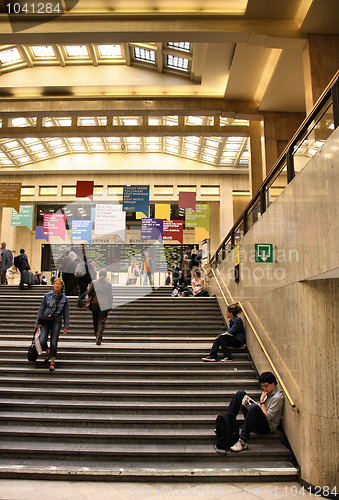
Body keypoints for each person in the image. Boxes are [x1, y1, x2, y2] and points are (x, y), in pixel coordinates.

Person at [220, 371, 284, 453]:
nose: (264, 389)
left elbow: (267, 418)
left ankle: (243, 441)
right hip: (257, 420)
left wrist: (262, 402)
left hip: (266, 427)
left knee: (254, 407)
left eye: (266, 386)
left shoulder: (277, 398)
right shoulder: (267, 392)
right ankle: (226, 423)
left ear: (274, 383)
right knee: (241, 393)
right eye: (263, 386)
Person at [35, 277, 69, 372]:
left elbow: (66, 313)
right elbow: (41, 308)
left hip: (56, 321)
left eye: (59, 284)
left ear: (61, 286)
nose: (57, 285)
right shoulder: (47, 296)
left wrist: (66, 326)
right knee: (42, 340)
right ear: (53, 285)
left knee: (54, 342)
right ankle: (47, 351)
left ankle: (52, 362)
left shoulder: (64, 299)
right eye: (55, 283)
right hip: (46, 320)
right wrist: (37, 321)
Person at [87, 268, 113, 345]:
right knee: (101, 321)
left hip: (95, 303)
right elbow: (110, 296)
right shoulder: (108, 284)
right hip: (104, 304)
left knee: (95, 321)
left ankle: (97, 336)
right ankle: (99, 337)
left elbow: (89, 292)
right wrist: (110, 307)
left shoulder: (94, 283)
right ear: (105, 275)